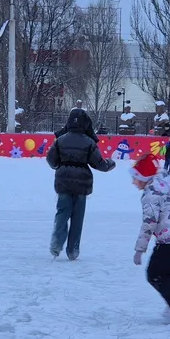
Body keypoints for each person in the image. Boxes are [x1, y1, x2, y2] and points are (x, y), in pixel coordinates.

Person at [45, 108, 116, 260]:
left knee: (62, 214)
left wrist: (60, 167)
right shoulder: (89, 142)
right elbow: (99, 164)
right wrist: (110, 164)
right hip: (82, 185)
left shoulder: (61, 140)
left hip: (63, 182)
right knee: (77, 218)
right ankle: (73, 250)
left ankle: (56, 243)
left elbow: (51, 160)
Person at [130, 154, 170, 323]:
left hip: (169, 242)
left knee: (155, 274)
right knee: (169, 275)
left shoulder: (151, 195)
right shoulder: (166, 187)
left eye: (135, 178)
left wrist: (139, 249)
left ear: (144, 178)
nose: (133, 182)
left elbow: (149, 223)